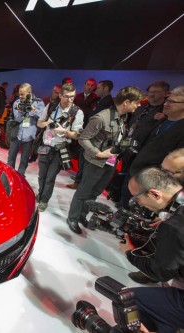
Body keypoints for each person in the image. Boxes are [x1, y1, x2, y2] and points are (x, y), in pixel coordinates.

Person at [66, 86, 144, 234]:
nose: (139, 105)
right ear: (127, 102)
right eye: (137, 102)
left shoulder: (123, 117)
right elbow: (83, 139)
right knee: (83, 192)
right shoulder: (101, 117)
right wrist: (98, 154)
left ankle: (82, 215)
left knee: (95, 192)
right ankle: (72, 218)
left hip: (111, 162)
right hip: (96, 162)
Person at [119, 167, 184, 333]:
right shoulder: (175, 213)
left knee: (127, 301)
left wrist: (129, 254)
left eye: (137, 199)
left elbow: (161, 272)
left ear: (155, 194)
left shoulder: (174, 226)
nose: (139, 204)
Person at [36, 83, 84, 212]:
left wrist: (64, 131)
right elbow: (39, 123)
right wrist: (46, 123)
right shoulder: (51, 106)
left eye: (72, 97)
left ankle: (44, 200)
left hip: (60, 148)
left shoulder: (77, 112)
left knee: (50, 178)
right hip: (46, 145)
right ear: (60, 95)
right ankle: (40, 194)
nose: (70, 100)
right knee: (41, 176)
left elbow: (77, 135)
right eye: (67, 97)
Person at [6, 83, 45, 175]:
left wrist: (32, 110)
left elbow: (41, 117)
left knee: (24, 159)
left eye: (22, 94)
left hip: (29, 135)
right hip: (17, 133)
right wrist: (21, 112)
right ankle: (10, 174)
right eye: (19, 94)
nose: (20, 96)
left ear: (29, 92)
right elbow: (17, 118)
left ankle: (20, 175)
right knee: (11, 157)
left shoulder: (39, 102)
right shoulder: (17, 102)